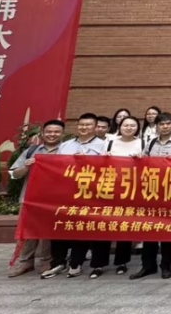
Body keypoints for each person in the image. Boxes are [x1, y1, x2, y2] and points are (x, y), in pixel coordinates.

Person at [42, 113, 107, 279]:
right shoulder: (66, 145)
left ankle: (76, 263)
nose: (84, 127)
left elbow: (108, 168)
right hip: (66, 192)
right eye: (81, 124)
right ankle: (58, 262)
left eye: (88, 125)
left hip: (90, 193)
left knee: (82, 227)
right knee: (61, 226)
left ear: (95, 127)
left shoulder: (104, 145)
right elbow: (56, 167)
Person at [131, 112, 171, 279]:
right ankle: (148, 265)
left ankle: (166, 265)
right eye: (162, 124)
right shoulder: (150, 143)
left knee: (167, 230)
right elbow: (144, 162)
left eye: (168, 123)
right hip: (152, 190)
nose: (165, 126)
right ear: (157, 126)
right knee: (149, 229)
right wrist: (138, 158)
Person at [89, 115, 143, 278]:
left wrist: (141, 160)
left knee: (124, 225)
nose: (129, 128)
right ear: (120, 127)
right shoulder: (110, 141)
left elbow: (148, 165)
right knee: (103, 225)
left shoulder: (142, 143)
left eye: (132, 125)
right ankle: (98, 264)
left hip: (130, 189)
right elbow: (100, 164)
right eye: (126, 125)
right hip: (109, 187)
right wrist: (103, 158)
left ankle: (122, 262)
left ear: (137, 128)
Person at [8, 119, 64, 277]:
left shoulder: (66, 150)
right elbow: (14, 173)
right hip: (30, 198)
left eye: (56, 132)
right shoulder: (31, 150)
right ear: (42, 133)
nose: (52, 134)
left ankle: (46, 260)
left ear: (62, 134)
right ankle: (25, 261)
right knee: (28, 231)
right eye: (49, 131)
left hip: (55, 199)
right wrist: (26, 166)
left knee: (49, 231)